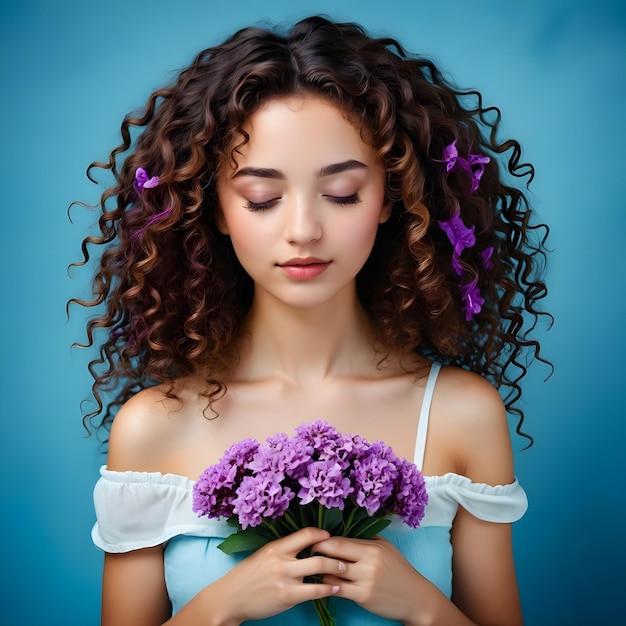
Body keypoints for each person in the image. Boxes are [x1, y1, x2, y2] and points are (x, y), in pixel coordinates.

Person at [75, 15, 550, 626]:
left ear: (390, 198)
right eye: (262, 199)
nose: (303, 230)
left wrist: (424, 607)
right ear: (214, 209)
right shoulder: (152, 427)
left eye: (344, 192)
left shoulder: (462, 414)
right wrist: (223, 605)